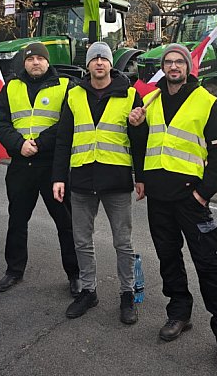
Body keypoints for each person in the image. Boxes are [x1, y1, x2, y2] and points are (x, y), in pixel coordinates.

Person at [128, 43, 217, 368]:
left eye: (179, 62)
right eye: (169, 62)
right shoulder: (151, 100)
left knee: (208, 265)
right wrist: (135, 126)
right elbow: (143, 144)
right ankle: (179, 313)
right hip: (159, 199)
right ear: (163, 67)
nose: (174, 67)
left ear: (189, 67)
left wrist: (203, 194)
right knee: (169, 260)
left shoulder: (208, 102)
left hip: (191, 199)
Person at [53, 41, 145, 324]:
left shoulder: (130, 95)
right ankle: (88, 291)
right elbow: (63, 139)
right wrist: (58, 177)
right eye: (94, 59)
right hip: (81, 178)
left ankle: (127, 294)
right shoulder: (74, 95)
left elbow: (140, 141)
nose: (99, 63)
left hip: (116, 179)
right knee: (82, 241)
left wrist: (141, 177)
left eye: (104, 58)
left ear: (111, 64)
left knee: (123, 242)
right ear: (88, 65)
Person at [0, 42, 80, 295]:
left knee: (66, 223)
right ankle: (14, 270)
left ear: (48, 61)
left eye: (40, 58)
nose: (35, 63)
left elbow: (68, 122)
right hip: (21, 164)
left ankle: (75, 274)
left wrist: (40, 143)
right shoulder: (11, 87)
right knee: (17, 221)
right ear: (25, 63)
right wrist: (18, 144)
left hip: (53, 165)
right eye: (30, 59)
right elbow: (0, 121)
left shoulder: (66, 85)